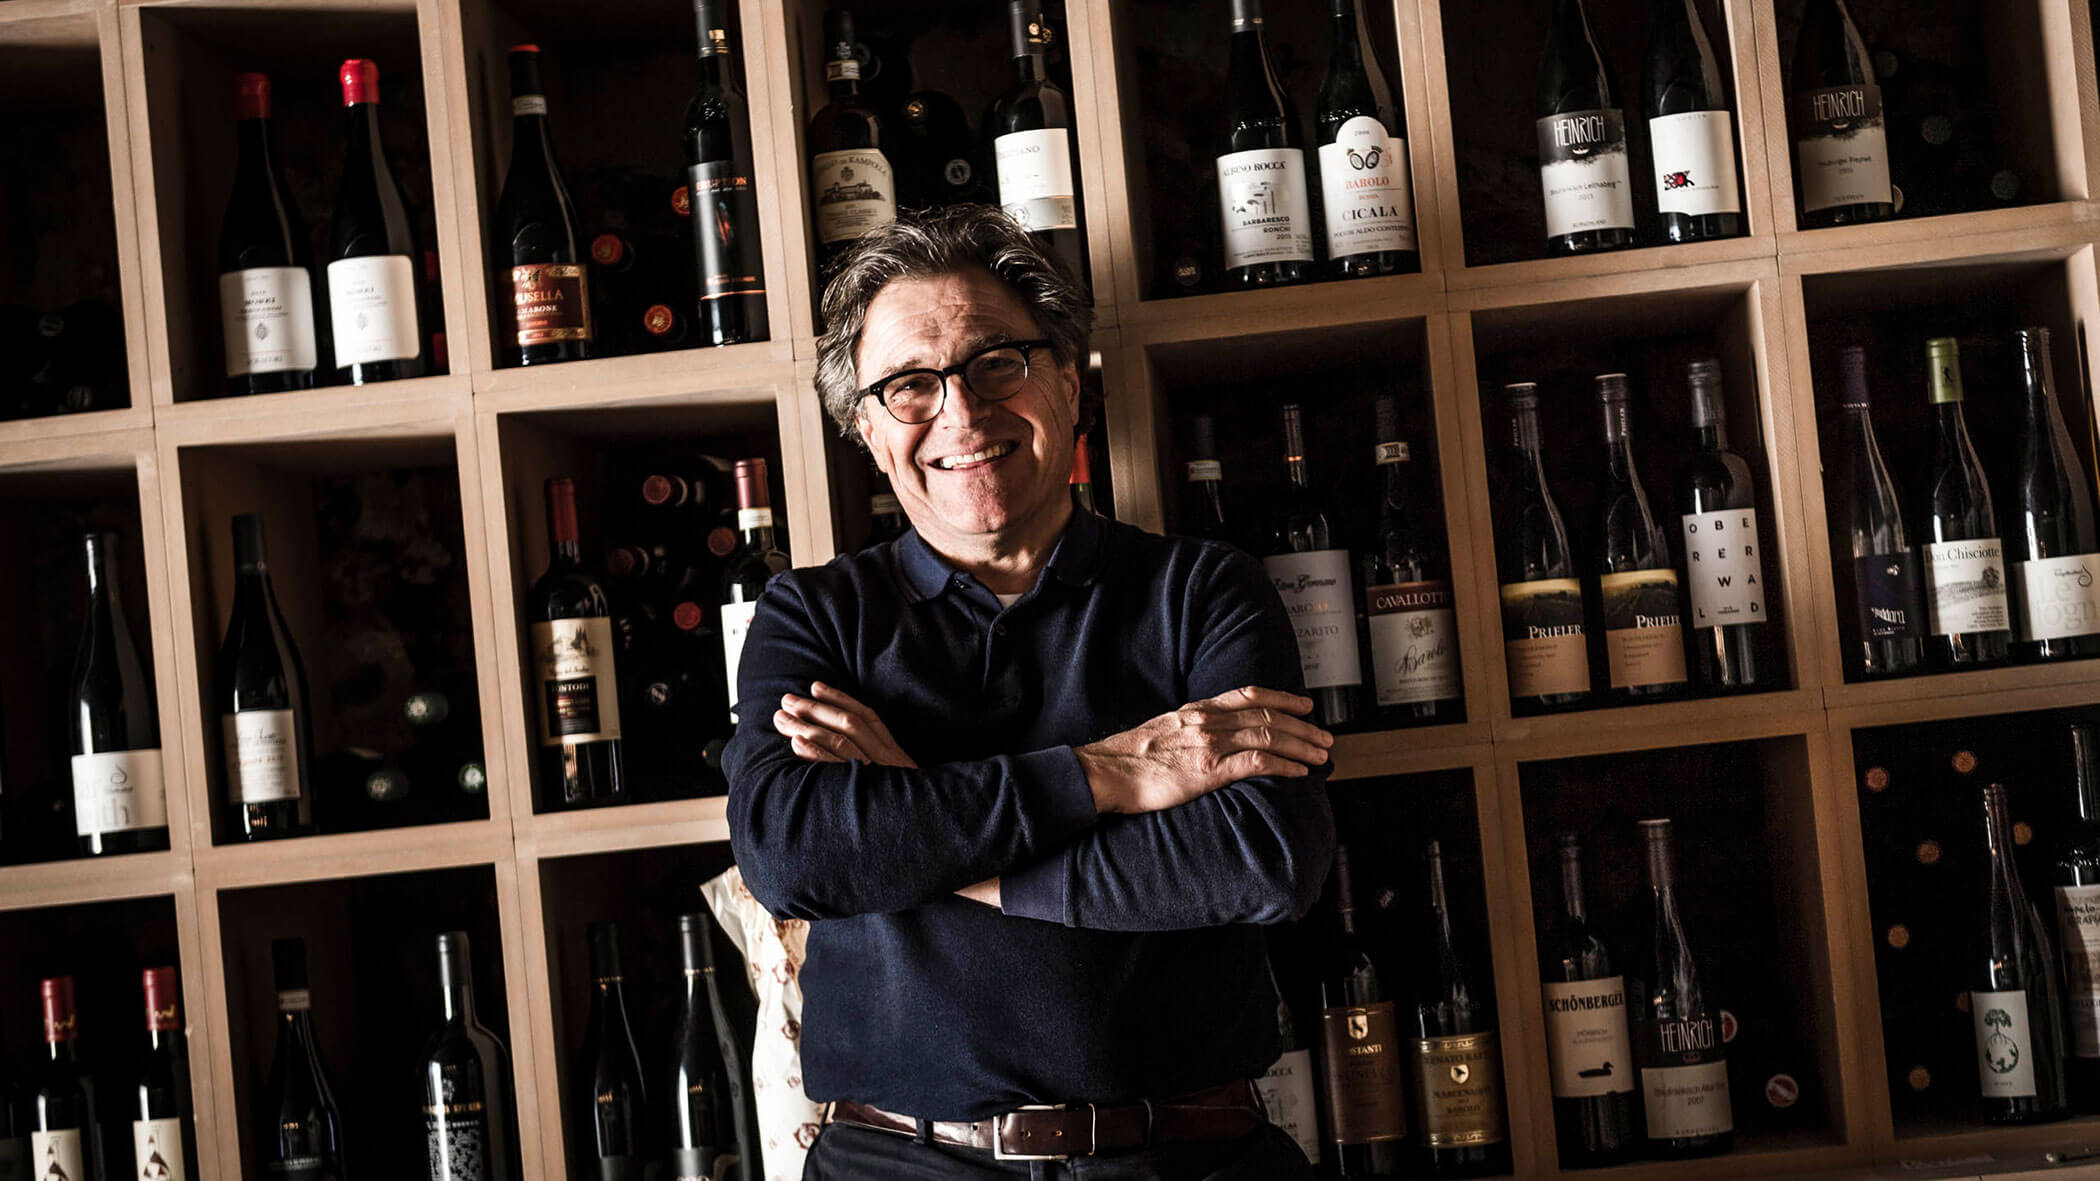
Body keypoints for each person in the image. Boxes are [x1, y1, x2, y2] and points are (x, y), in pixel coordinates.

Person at [723, 205, 1335, 1180]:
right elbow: (795, 854)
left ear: (1068, 379)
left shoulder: (1202, 591)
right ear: (866, 429)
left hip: (1187, 1158)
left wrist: (926, 822)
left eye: (996, 362)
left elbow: (1261, 857)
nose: (961, 415)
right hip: (900, 1163)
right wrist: (1111, 773)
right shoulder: (814, 615)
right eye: (910, 385)